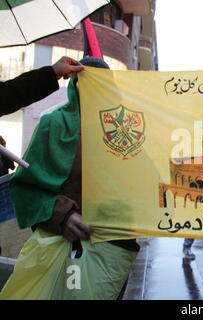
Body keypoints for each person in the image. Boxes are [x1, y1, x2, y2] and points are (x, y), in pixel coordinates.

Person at [7, 57, 139, 299]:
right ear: (75, 84)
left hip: (111, 254)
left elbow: (143, 188)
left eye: (104, 85)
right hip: (61, 250)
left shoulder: (130, 136)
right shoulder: (53, 124)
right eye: (89, 83)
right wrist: (62, 215)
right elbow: (26, 189)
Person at [0, 56, 84, 117]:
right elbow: (9, 95)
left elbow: (8, 95)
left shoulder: (51, 120)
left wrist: (54, 72)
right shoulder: (52, 120)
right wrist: (53, 72)